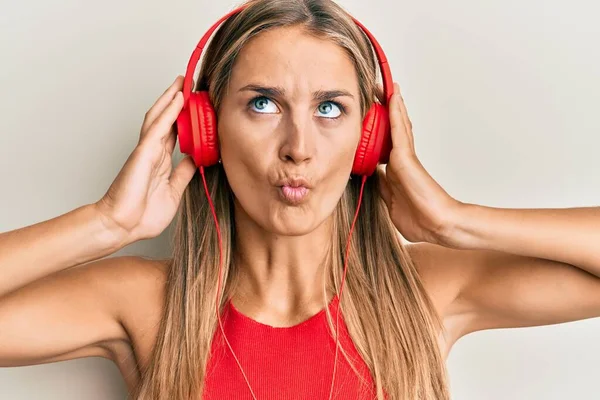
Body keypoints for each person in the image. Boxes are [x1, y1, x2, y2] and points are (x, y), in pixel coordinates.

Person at [1, 0, 599, 399]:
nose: (298, 148)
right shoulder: (147, 304)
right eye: (263, 103)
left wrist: (454, 221)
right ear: (205, 131)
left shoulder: (426, 294)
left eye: (330, 108)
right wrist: (107, 223)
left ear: (372, 139)